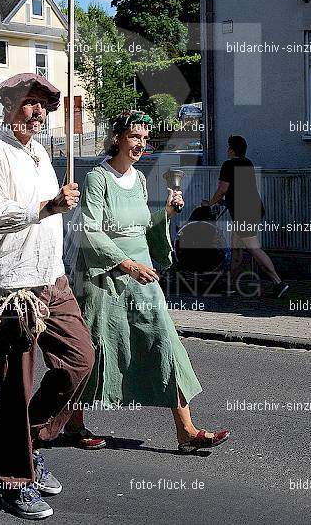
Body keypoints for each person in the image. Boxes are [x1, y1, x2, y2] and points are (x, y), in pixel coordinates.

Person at [0, 73, 95, 519]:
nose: (39, 112)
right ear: (8, 104)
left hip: (51, 278)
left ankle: (34, 437)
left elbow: (52, 216)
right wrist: (47, 207)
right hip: (10, 285)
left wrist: (62, 215)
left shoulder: (40, 152)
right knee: (17, 386)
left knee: (81, 359)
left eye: (45, 105)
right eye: (31, 102)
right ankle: (16, 480)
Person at [63, 110, 230, 452]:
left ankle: (187, 431)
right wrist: (125, 264)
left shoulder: (139, 179)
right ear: (117, 139)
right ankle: (74, 423)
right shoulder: (98, 178)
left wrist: (167, 213)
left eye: (144, 138)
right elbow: (89, 230)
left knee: (165, 343)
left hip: (143, 278)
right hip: (105, 279)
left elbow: (140, 226)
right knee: (96, 350)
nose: (140, 144)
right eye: (133, 137)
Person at [204, 135, 289, 297]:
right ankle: (230, 284)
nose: (226, 150)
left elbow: (223, 189)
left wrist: (210, 204)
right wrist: (224, 202)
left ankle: (278, 282)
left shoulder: (228, 164)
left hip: (244, 213)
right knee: (236, 249)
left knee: (253, 247)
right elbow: (239, 189)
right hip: (252, 209)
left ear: (231, 150)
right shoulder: (247, 163)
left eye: (228, 147)